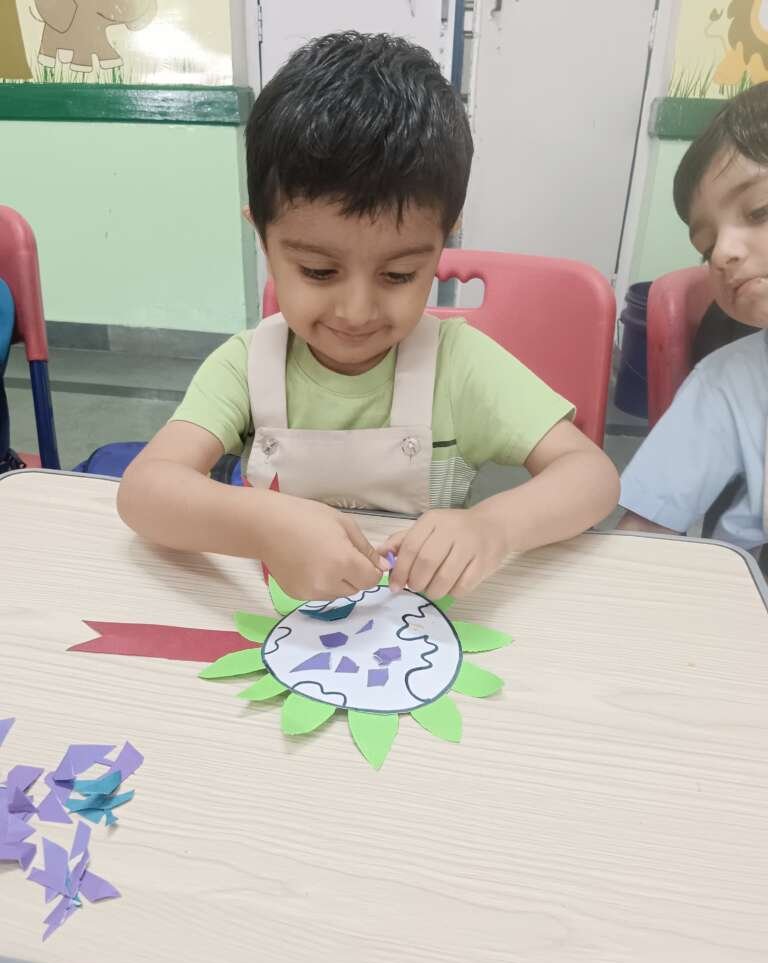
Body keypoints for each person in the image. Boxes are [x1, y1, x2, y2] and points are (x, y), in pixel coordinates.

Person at [118, 32, 618, 601]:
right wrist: (263, 524)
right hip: (279, 619)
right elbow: (144, 491)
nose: (357, 312)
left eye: (398, 275)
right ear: (263, 237)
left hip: (419, 620)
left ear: (443, 241)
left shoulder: (459, 365)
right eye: (318, 271)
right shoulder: (246, 366)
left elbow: (592, 476)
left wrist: (492, 527)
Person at [619, 82, 768, 553]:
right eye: (706, 247)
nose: (722, 253)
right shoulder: (730, 381)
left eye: (760, 210)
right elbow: (645, 528)